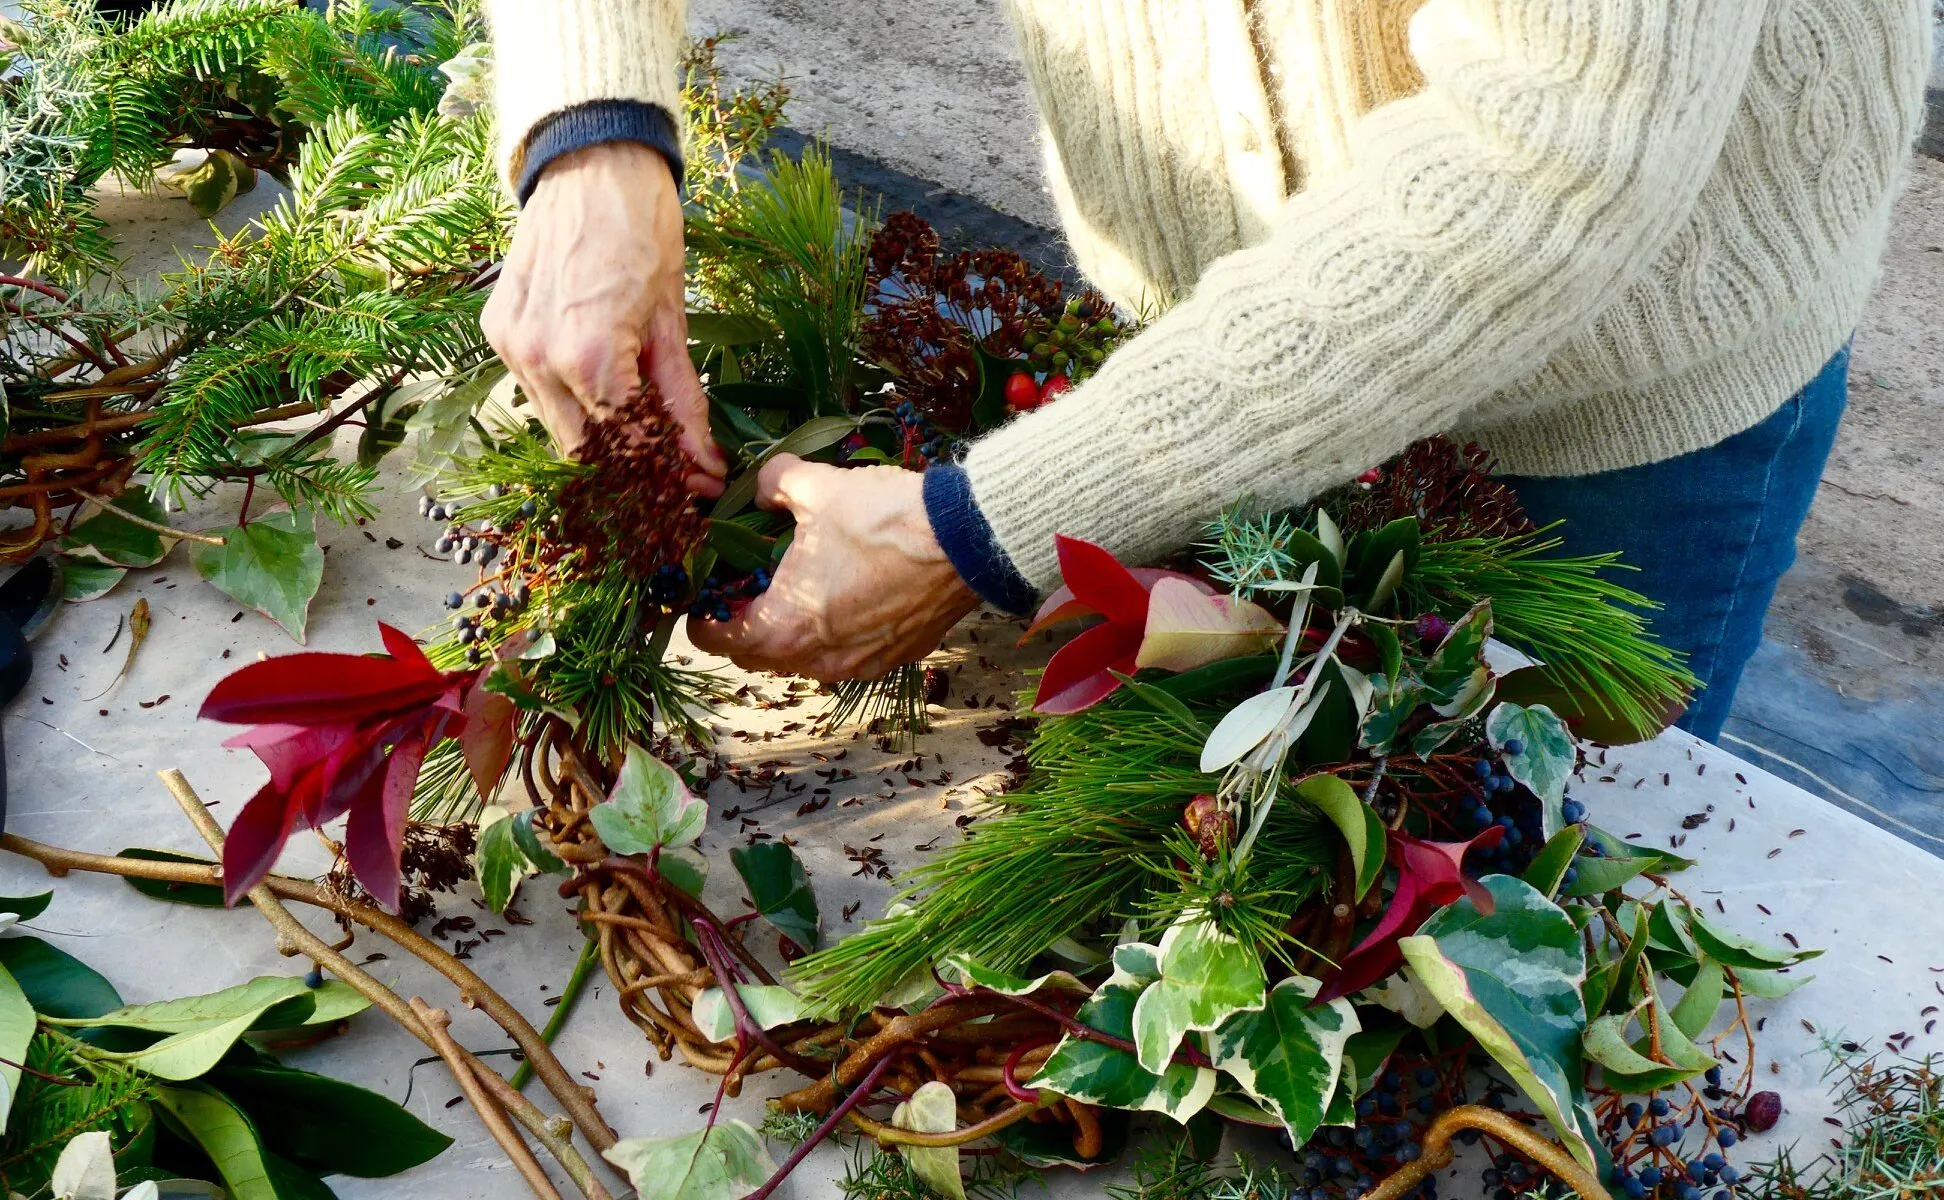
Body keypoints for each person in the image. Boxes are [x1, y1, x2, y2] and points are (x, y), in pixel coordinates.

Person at [479, 0, 1932, 742]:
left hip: (1609, 404)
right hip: (1205, 334)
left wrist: (993, 523)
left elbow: (1556, 159)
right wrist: (591, 135)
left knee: (1539, 945)